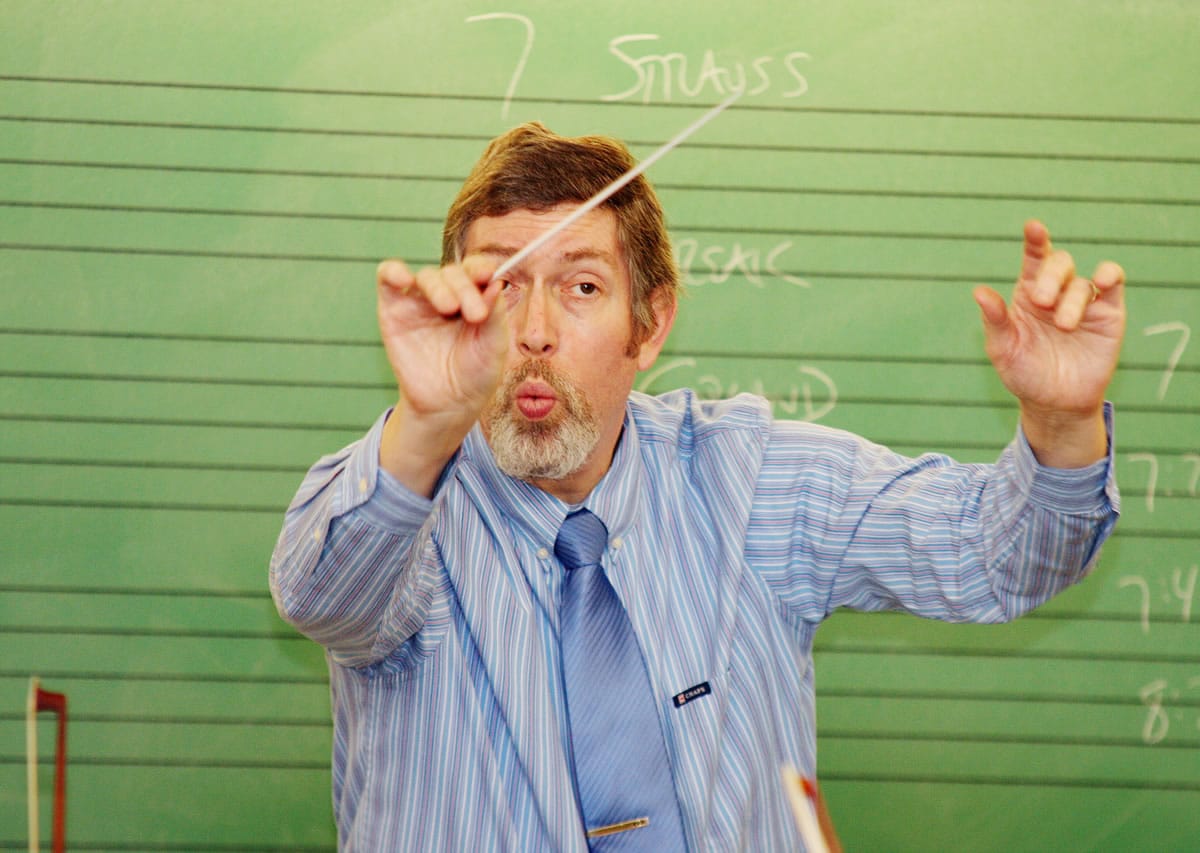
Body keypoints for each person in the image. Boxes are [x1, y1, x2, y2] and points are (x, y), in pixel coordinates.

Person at [270, 122, 1126, 851]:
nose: (531, 332)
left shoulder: (749, 475)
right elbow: (322, 596)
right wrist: (425, 424)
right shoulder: (403, 491)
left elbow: (1002, 557)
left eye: (581, 287)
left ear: (651, 323)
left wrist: (1060, 419)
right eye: (500, 286)